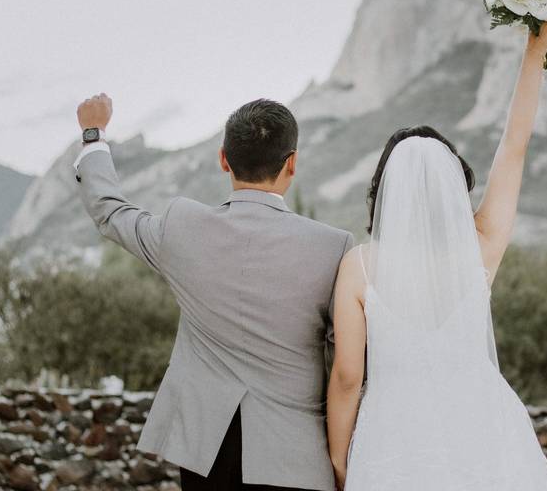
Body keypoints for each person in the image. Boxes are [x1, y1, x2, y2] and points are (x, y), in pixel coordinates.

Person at [326, 20, 547, 489]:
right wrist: (534, 53)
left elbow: (348, 376)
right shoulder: (480, 247)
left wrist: (340, 461)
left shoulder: (358, 266)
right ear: (455, 187)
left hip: (392, 439)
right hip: (484, 427)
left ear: (383, 191)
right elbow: (514, 149)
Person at [74, 97, 353, 491]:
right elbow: (346, 362)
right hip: (297, 458)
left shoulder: (182, 228)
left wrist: (93, 138)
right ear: (291, 163)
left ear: (224, 159)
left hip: (208, 453)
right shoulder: (333, 247)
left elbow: (110, 211)